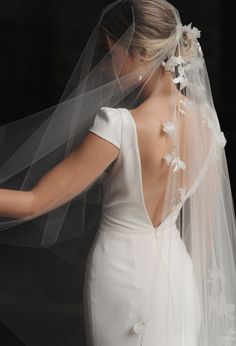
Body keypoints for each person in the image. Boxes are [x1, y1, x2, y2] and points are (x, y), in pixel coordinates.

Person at [0, 0, 235, 345]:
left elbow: (35, 202)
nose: (107, 67)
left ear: (140, 53)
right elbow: (205, 230)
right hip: (180, 278)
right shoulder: (206, 121)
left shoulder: (118, 126)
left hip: (121, 275)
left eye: (111, 52)